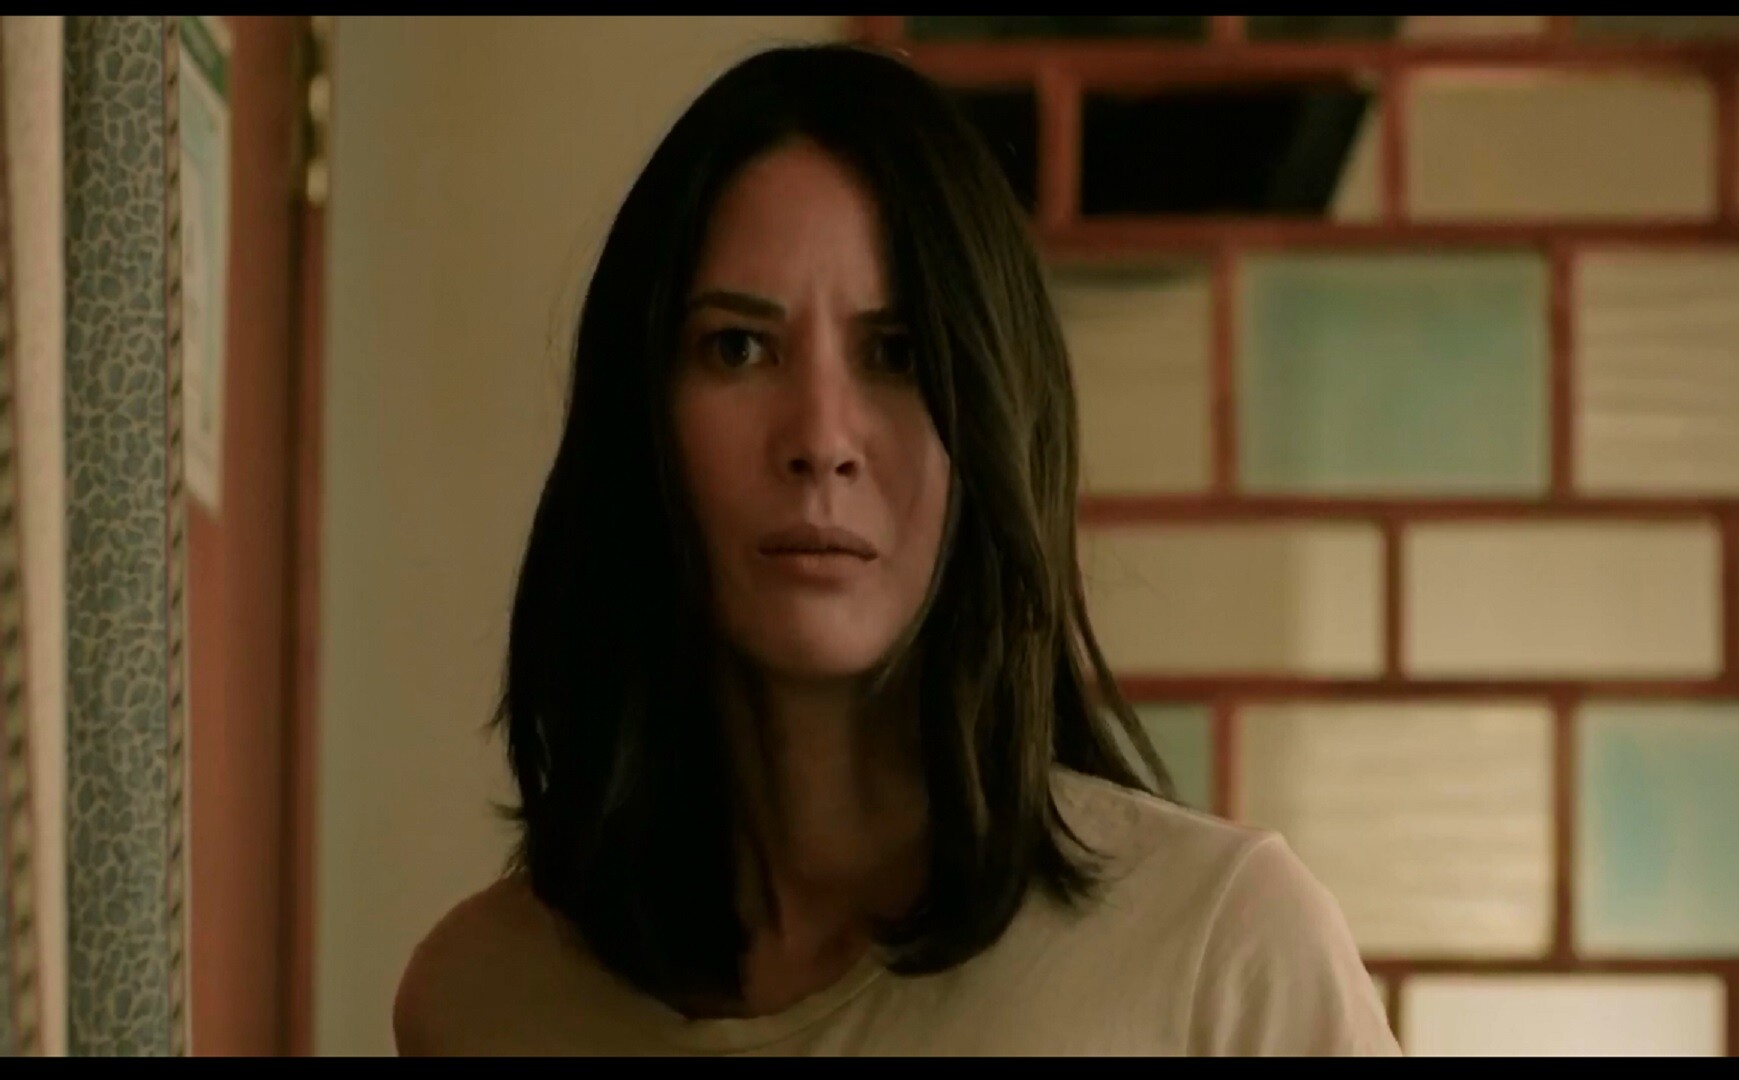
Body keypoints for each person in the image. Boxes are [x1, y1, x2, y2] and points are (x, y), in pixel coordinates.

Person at [391, 41, 1399, 1057]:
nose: (820, 438)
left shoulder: (1221, 953)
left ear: (995, 418)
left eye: (898, 354)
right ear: (639, 417)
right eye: (738, 347)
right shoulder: (483, 998)